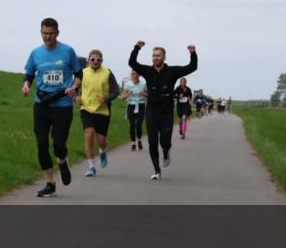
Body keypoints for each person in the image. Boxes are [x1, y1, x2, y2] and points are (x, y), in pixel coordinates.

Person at [21, 18, 82, 197]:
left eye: (51, 33)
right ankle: (49, 184)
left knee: (59, 144)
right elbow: (29, 74)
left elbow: (78, 74)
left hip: (62, 105)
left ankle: (62, 161)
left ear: (57, 33)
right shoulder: (35, 53)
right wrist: (26, 85)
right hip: (42, 104)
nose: (47, 37)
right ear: (41, 32)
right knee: (41, 144)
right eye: (44, 33)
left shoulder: (68, 51)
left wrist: (75, 86)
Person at [128, 42, 198, 180]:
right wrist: (137, 48)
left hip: (166, 113)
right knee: (152, 142)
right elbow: (132, 62)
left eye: (158, 55)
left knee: (165, 142)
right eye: (153, 55)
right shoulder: (147, 71)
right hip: (151, 112)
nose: (155, 58)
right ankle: (156, 170)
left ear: (164, 57)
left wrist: (193, 53)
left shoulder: (173, 71)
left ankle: (166, 152)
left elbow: (192, 67)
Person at [76, 49, 120, 176]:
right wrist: (76, 98)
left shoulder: (107, 73)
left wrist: (106, 98)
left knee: (101, 140)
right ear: (88, 60)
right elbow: (74, 89)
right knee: (89, 134)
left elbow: (115, 91)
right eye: (92, 59)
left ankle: (103, 150)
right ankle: (91, 167)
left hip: (102, 110)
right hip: (86, 108)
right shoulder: (82, 73)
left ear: (102, 60)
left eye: (98, 60)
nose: (95, 62)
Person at [121, 70, 147, 151]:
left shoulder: (143, 84)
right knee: (132, 125)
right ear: (131, 75)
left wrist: (144, 94)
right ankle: (133, 143)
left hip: (141, 105)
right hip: (131, 106)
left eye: (136, 73)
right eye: (133, 73)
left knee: (139, 125)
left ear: (139, 75)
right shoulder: (128, 85)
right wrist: (128, 94)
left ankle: (139, 140)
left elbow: (149, 95)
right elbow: (122, 97)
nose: (134, 75)